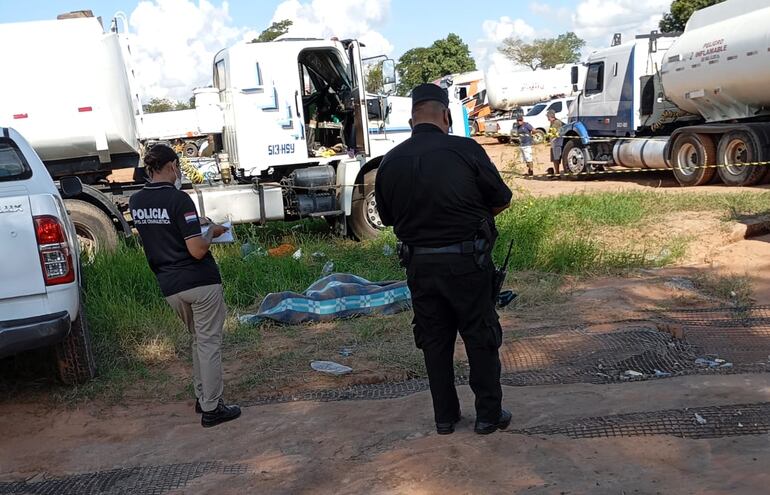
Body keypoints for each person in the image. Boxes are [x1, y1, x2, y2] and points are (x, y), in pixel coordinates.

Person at [375, 84, 513, 435]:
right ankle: (487, 415)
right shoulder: (465, 149)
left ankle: (445, 418)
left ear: (411, 120)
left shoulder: (389, 161)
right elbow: (501, 198)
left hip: (420, 268)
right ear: (446, 116)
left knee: (434, 341)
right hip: (468, 263)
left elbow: (388, 219)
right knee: (480, 337)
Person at [129, 144, 241, 428]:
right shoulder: (180, 199)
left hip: (169, 285)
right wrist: (213, 231)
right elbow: (197, 250)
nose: (178, 171)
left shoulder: (136, 202)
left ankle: (202, 397)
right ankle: (213, 409)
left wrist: (196, 225)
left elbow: (165, 232)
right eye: (177, 166)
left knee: (197, 341)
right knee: (209, 344)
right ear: (171, 166)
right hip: (199, 281)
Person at [546, 110, 564, 177]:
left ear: (551, 116)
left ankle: (557, 173)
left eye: (548, 116)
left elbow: (554, 133)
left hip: (558, 143)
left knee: (556, 159)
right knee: (554, 159)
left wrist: (549, 135)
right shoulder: (552, 122)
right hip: (554, 143)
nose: (547, 118)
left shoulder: (556, 122)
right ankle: (556, 172)